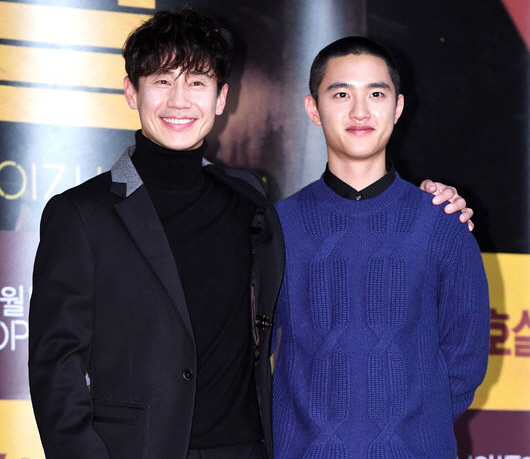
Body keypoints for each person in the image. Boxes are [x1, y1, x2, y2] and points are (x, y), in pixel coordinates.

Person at [28, 9, 473, 459]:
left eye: (196, 82)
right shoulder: (82, 213)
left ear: (221, 98)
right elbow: (55, 366)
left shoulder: (248, 201)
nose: (179, 101)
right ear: (131, 91)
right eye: (162, 80)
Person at [272, 37, 489, 459]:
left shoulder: (442, 222)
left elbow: (466, 357)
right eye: (341, 94)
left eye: (376, 94)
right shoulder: (277, 226)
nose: (360, 111)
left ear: (398, 107)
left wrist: (415, 429)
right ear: (313, 109)